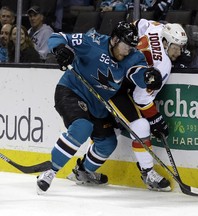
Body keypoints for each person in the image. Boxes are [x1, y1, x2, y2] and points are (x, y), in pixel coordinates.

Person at [36, 21, 160, 194]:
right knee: (82, 127)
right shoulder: (92, 42)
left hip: (98, 103)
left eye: (132, 47)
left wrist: (148, 77)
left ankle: (83, 172)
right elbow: (58, 37)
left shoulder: (133, 56)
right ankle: (50, 171)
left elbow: (138, 75)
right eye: (126, 45)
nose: (128, 50)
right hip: (72, 91)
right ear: (115, 39)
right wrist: (59, 49)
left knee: (107, 143)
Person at [68, 19, 188, 192]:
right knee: (141, 125)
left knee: (112, 132)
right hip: (115, 86)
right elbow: (141, 99)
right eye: (176, 47)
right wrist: (156, 119)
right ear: (165, 42)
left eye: (181, 47)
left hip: (110, 74)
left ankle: (84, 170)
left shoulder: (158, 28)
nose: (179, 52)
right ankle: (148, 174)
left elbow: (139, 23)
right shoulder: (163, 65)